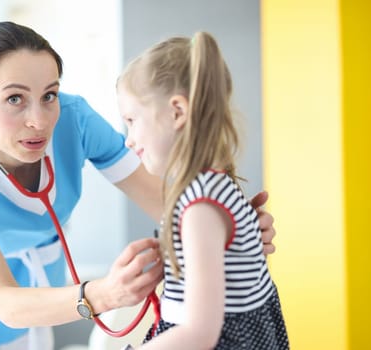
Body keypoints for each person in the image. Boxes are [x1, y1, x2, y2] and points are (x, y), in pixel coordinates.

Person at [0, 22, 278, 350]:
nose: (39, 121)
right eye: (15, 99)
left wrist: (227, 234)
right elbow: (5, 304)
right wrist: (107, 293)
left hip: (38, 319)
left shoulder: (74, 119)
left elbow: (168, 205)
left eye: (49, 95)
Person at [115, 32, 289, 349]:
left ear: (177, 112)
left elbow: (199, 334)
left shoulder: (199, 208)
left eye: (132, 120)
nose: (128, 139)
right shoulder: (215, 187)